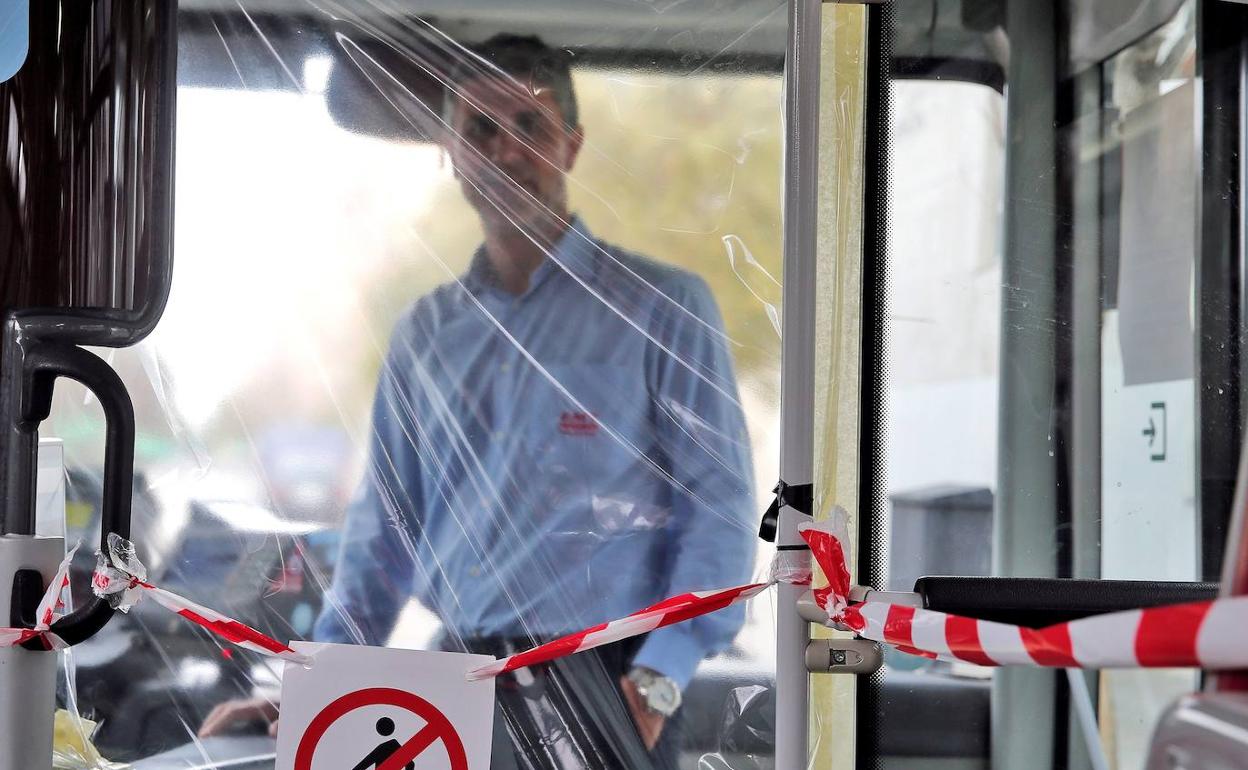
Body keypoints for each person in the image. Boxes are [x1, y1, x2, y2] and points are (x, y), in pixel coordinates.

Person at [200, 34, 756, 769]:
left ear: (573, 146)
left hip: (612, 681)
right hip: (456, 678)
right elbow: (381, 540)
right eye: (480, 130)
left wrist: (659, 677)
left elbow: (716, 510)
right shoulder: (426, 336)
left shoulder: (661, 309)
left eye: (530, 126)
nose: (505, 151)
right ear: (449, 153)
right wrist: (313, 687)